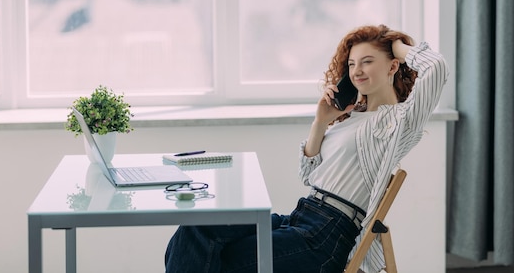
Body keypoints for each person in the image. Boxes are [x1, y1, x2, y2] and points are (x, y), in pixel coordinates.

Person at [165, 24, 449, 273]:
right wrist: (321, 122)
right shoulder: (348, 118)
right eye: (351, 64)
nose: (356, 71)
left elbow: (436, 68)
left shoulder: (398, 121)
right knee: (195, 230)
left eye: (367, 61)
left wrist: (396, 45)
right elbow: (308, 174)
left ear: (392, 66)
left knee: (224, 260)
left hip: (327, 236)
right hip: (302, 215)